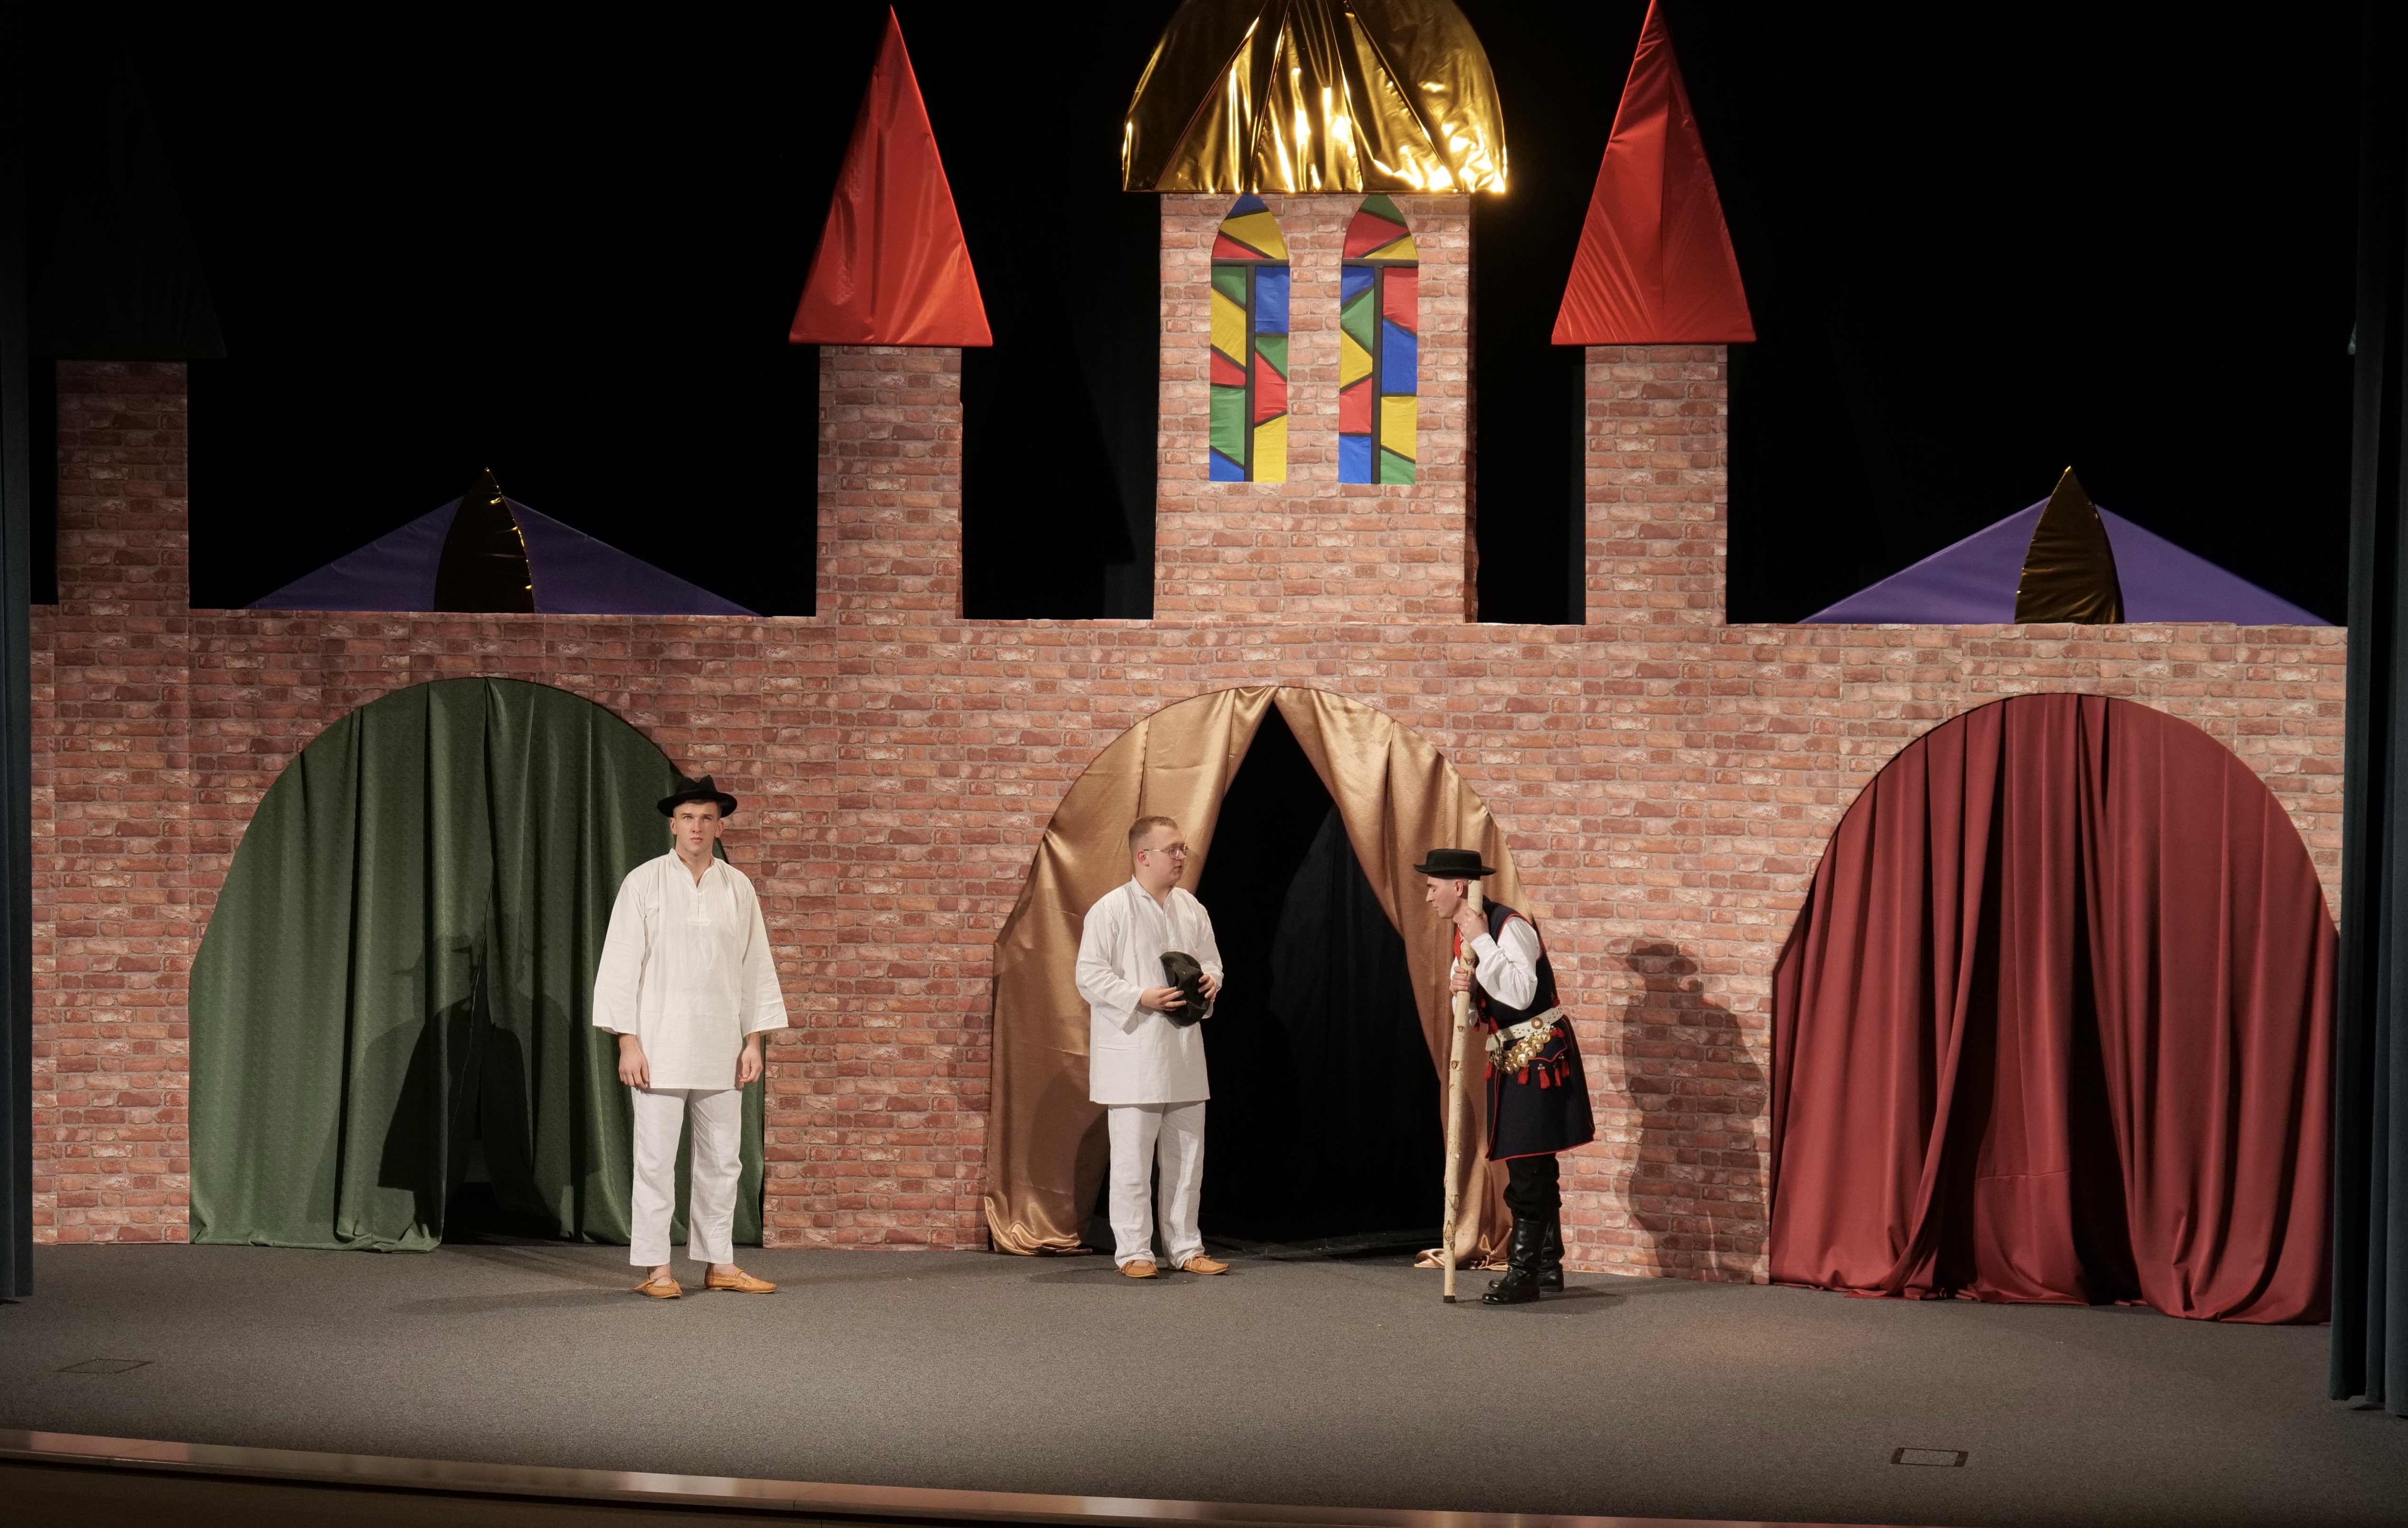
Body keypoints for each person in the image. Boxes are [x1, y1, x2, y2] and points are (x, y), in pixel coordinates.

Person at [593, 774, 790, 1298]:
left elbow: (754, 965)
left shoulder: (737, 886)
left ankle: (720, 1262)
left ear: (719, 826)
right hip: (658, 1043)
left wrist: (753, 1040)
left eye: (706, 818)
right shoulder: (644, 882)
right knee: (656, 1160)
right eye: (687, 818)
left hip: (721, 1043)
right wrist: (627, 1041)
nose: (697, 827)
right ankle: (657, 1269)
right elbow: (620, 963)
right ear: (672, 825)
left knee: (723, 1159)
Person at [1419, 848, 1595, 1304]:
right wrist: (1464, 992)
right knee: (1533, 1162)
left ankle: (1524, 1275)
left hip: (1538, 1053)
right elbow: (1478, 1010)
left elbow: (1519, 994)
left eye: (1433, 887)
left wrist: (1482, 941)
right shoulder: (1466, 934)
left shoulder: (1507, 926)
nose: (1428, 897)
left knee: (1528, 1163)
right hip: (1509, 1054)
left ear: (1458, 887)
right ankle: (1547, 1264)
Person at [1075, 816, 1231, 1278]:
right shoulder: (1111, 909)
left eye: (1183, 848)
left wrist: (1211, 981)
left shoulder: (1190, 907)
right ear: (1143, 856)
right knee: (1132, 1161)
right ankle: (1134, 1252)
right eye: (1172, 849)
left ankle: (1185, 1247)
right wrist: (1139, 996)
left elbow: (1212, 963)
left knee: (1187, 1159)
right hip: (1135, 1053)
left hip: (1182, 1050)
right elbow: (1089, 974)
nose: (1181, 857)